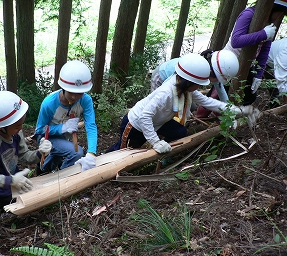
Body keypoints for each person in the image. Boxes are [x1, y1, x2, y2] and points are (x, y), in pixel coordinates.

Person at [106, 53, 257, 153]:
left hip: (158, 122)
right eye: (198, 83)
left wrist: (242, 110)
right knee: (125, 151)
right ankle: (100, 161)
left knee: (180, 132)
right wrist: (155, 142)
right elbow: (145, 117)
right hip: (134, 124)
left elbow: (209, 102)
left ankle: (167, 157)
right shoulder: (165, 93)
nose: (200, 87)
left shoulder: (185, 89)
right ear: (189, 81)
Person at [0, 91, 52, 210]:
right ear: (1, 128)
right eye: (17, 126)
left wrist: (40, 152)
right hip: (0, 189)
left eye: (21, 124)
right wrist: (11, 180)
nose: (21, 128)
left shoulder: (15, 130)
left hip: (15, 180)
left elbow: (25, 155)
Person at [34, 60, 98, 173]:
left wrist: (91, 153)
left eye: (79, 93)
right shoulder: (49, 103)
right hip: (47, 138)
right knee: (76, 152)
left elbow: (91, 125)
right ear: (63, 88)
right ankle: (63, 176)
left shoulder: (86, 100)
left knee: (58, 155)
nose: (74, 97)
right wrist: (62, 128)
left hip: (64, 136)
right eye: (70, 92)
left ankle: (43, 170)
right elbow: (40, 130)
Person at [223, 0, 287, 106]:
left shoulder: (270, 24)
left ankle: (237, 117)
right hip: (229, 61)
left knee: (249, 97)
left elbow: (265, 50)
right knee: (219, 95)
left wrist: (258, 74)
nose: (279, 18)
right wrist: (263, 34)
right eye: (279, 14)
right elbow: (236, 41)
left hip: (248, 65)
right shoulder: (248, 14)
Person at [264, 37, 287, 108]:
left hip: (279, 60)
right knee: (276, 92)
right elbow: (281, 81)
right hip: (267, 62)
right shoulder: (284, 52)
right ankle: (273, 111)